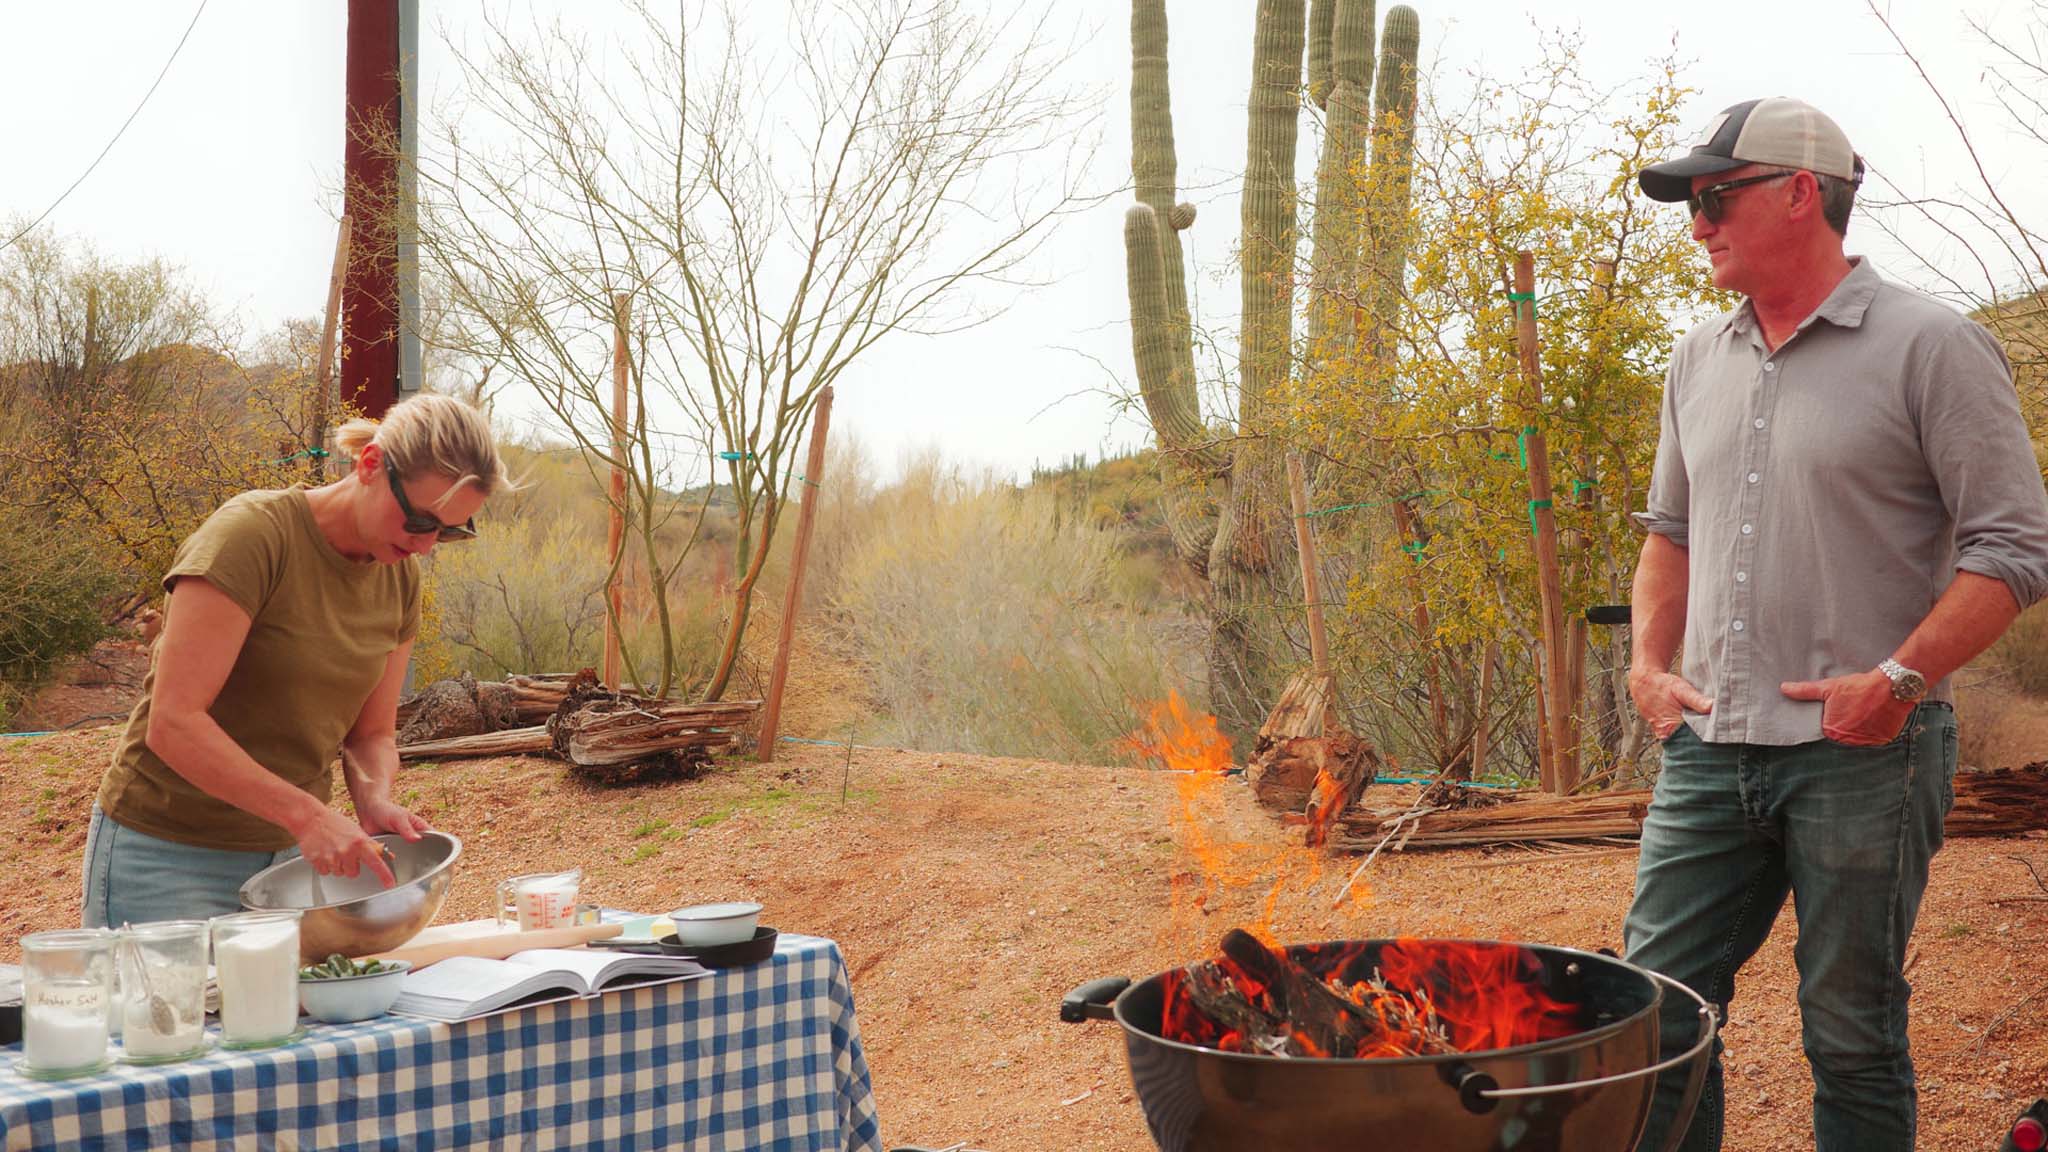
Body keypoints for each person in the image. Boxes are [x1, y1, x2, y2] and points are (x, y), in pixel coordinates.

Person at [1624, 97, 2048, 1151]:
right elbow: (1667, 535)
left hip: (1865, 751)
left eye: (1714, 196)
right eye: (1690, 202)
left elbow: (2013, 550)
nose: (1696, 222)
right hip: (1707, 748)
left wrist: (1897, 679)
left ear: (1798, 193)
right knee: (1654, 1012)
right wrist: (1642, 664)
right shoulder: (1694, 360)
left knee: (1849, 1030)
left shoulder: (1932, 346)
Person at [82, 393, 511, 928]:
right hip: (167, 855)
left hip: (291, 862)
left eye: (448, 531)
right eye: (422, 521)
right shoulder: (251, 537)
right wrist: (309, 816)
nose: (425, 547)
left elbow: (370, 735)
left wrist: (373, 799)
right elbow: (173, 723)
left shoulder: (399, 577)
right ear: (371, 465)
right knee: (166, 1014)